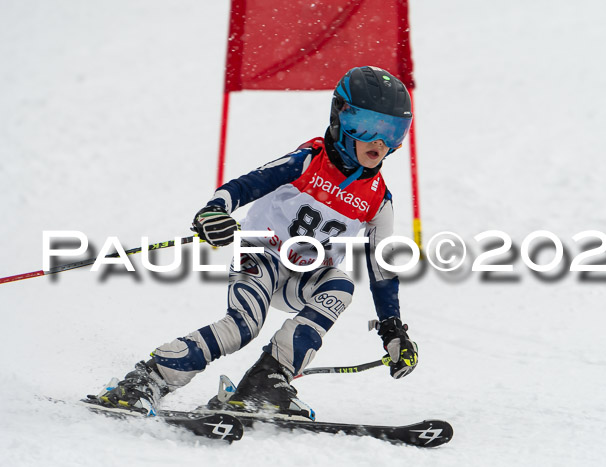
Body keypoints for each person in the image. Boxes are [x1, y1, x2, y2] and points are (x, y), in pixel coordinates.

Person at [92, 66, 419, 420]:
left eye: (392, 132)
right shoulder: (309, 161)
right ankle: (147, 379)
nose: (379, 142)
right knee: (243, 326)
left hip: (304, 276)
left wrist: (391, 328)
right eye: (367, 127)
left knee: (341, 286)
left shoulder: (377, 200)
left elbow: (381, 270)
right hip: (261, 254)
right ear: (340, 118)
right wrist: (214, 211)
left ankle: (267, 381)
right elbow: (245, 185)